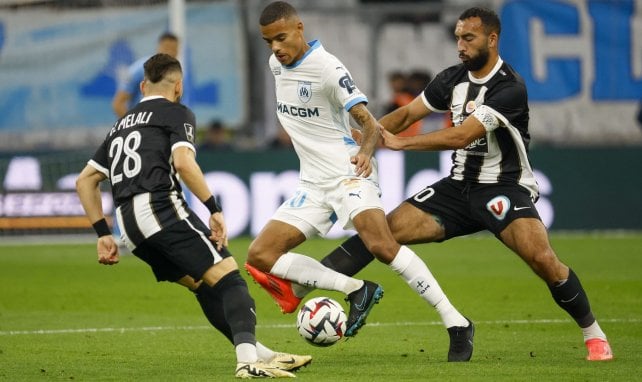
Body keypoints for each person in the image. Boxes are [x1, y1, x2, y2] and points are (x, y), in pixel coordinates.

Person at [308, 7, 615, 362]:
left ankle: (594, 334)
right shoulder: (452, 78)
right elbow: (407, 114)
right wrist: (368, 138)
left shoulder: (509, 88)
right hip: (457, 189)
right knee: (380, 233)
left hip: (503, 187)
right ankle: (305, 282)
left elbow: (462, 135)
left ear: (492, 39)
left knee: (543, 259)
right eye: (457, 38)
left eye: (468, 38)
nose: (461, 45)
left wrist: (401, 143)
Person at [244, 3, 473, 359]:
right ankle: (356, 289)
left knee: (382, 245)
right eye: (268, 41)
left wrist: (366, 152)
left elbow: (368, 124)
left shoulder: (328, 69)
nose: (275, 47)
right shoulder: (277, 65)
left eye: (281, 37)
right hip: (313, 183)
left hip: (349, 171)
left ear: (300, 29)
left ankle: (456, 322)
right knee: (261, 254)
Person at [76, 53, 310, 378]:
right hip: (159, 209)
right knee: (231, 281)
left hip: (128, 226)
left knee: (204, 285)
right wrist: (213, 207)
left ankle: (262, 354)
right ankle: (247, 363)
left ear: (143, 86)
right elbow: (184, 163)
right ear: (179, 86)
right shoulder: (176, 112)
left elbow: (85, 180)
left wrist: (103, 232)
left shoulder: (121, 124)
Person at [112, 32, 179, 118]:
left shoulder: (176, 75)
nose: (170, 52)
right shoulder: (140, 69)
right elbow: (118, 104)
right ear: (158, 47)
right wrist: (133, 127)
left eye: (174, 49)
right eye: (166, 48)